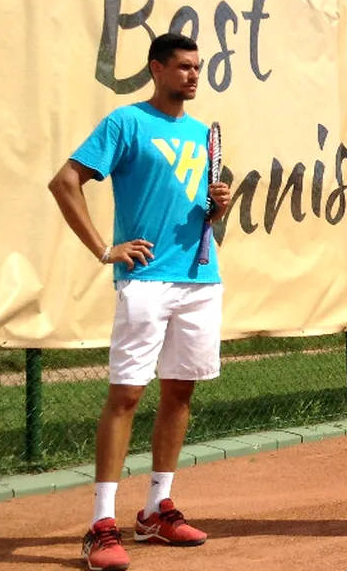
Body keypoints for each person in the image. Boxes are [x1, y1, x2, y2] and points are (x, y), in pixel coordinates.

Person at [48, 33, 230, 571]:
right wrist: (107, 249)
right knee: (126, 395)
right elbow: (64, 183)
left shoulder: (202, 134)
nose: (193, 75)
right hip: (146, 281)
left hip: (200, 279)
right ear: (156, 69)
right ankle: (100, 525)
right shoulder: (124, 124)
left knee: (179, 394)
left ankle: (155, 510)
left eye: (198, 68)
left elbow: (196, 211)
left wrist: (218, 207)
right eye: (182, 67)